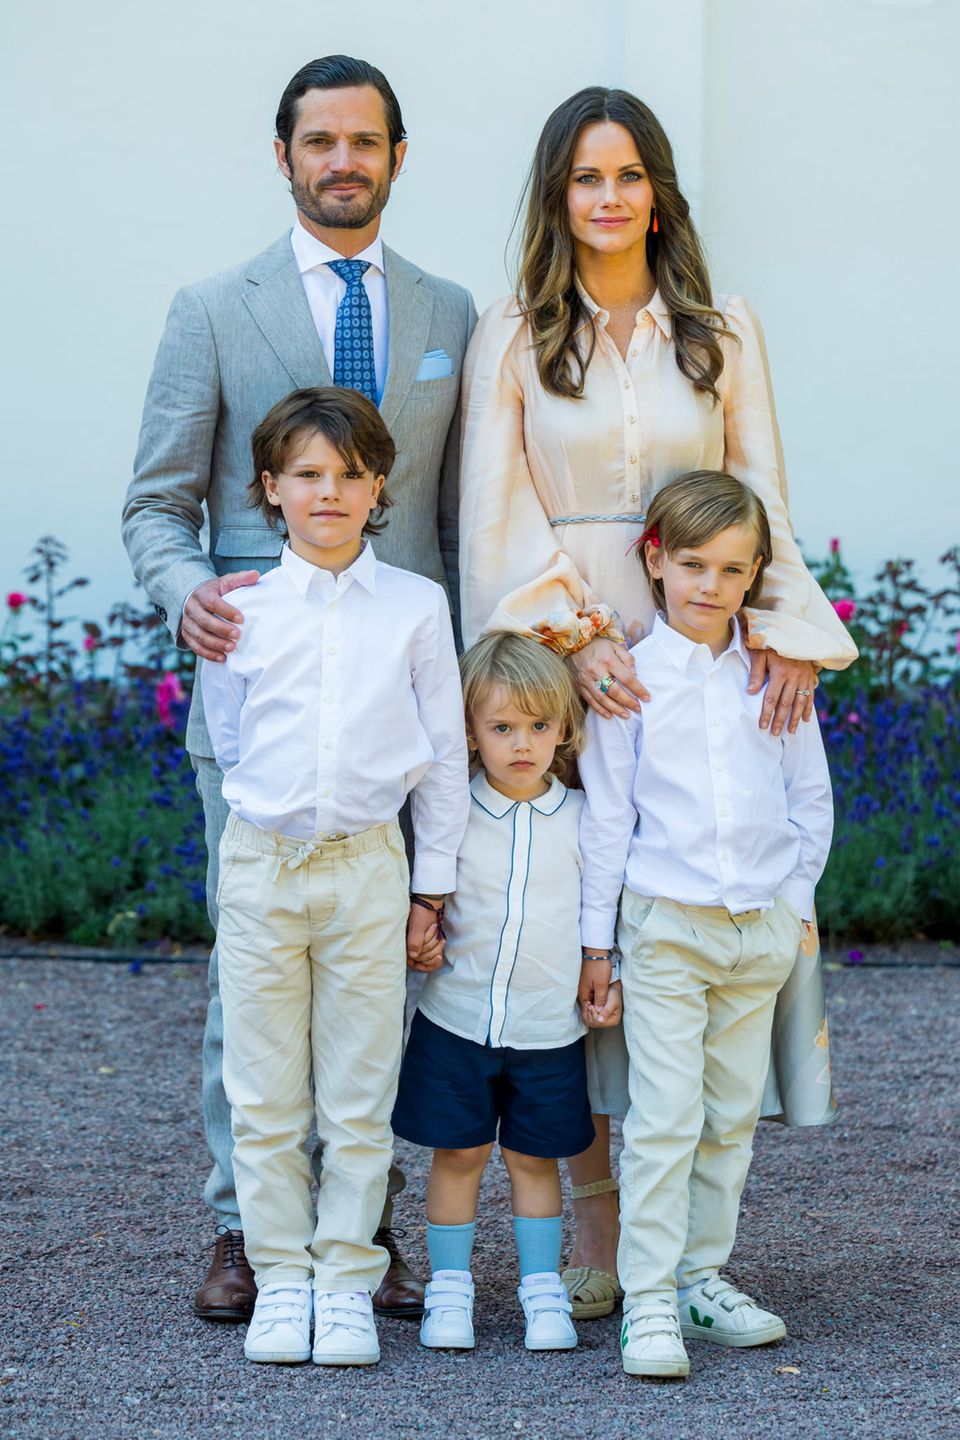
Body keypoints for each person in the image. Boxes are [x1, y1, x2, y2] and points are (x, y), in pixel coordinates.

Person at [458, 85, 856, 1318]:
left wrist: (785, 632)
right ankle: (599, 1231)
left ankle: (693, 1256)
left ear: (659, 191)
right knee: (586, 940)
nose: (610, 197)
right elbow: (494, 513)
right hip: (583, 661)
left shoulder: (719, 329)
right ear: (556, 195)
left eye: (631, 175)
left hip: (706, 637)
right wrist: (574, 642)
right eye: (586, 177)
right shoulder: (516, 333)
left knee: (701, 923)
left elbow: (761, 492)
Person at [122, 54, 476, 1322]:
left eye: (365, 142)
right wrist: (188, 595)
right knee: (256, 970)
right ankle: (244, 1228)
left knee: (387, 961)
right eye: (319, 141)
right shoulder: (213, 307)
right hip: (259, 689)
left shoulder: (448, 313)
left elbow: (454, 515)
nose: (343, 162)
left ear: (394, 156)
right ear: (284, 156)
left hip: (396, 687)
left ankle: (358, 1228)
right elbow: (157, 502)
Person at [199, 386, 469, 1365]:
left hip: (366, 869)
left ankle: (347, 1273)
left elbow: (441, 755)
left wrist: (429, 890)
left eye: (349, 475)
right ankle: (281, 1277)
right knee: (265, 1089)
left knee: (358, 1090)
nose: (328, 492)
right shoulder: (238, 609)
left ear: (378, 485)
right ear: (271, 489)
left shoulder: (413, 606)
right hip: (263, 865)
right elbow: (230, 743)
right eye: (307, 475)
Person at [578, 471, 833, 1378]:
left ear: (756, 572)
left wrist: (794, 906)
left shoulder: (772, 674)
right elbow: (607, 817)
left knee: (730, 1115)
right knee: (664, 1115)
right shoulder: (629, 679)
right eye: (691, 564)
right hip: (666, 927)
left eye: (731, 569)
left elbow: (811, 799)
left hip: (757, 927)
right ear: (655, 560)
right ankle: (646, 1299)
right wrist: (596, 944)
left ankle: (700, 1276)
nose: (709, 587)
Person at [392, 633, 607, 1354]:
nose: (522, 744)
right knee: (456, 1157)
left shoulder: (582, 820)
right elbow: (427, 897)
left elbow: (603, 912)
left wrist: (609, 972)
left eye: (539, 727)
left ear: (564, 730)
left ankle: (541, 1293)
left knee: (534, 1161)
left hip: (549, 1029)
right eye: (502, 727)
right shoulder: (449, 815)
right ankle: (449, 1294)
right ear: (469, 733)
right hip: (456, 1020)